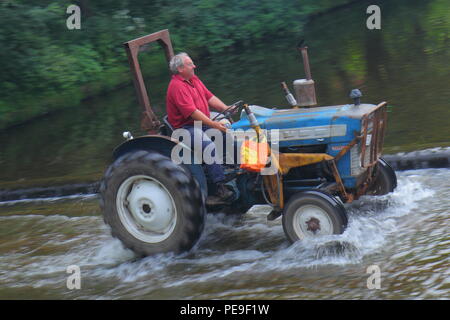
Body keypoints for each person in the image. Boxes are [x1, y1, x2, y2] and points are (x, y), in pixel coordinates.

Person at [166, 52, 233, 205]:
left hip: (200, 122)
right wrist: (213, 123)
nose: (194, 66)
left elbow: (209, 97)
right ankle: (220, 187)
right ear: (181, 68)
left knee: (228, 129)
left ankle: (232, 166)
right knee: (207, 145)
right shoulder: (177, 86)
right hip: (185, 128)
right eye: (190, 64)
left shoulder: (193, 79)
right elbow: (192, 113)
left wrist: (226, 108)